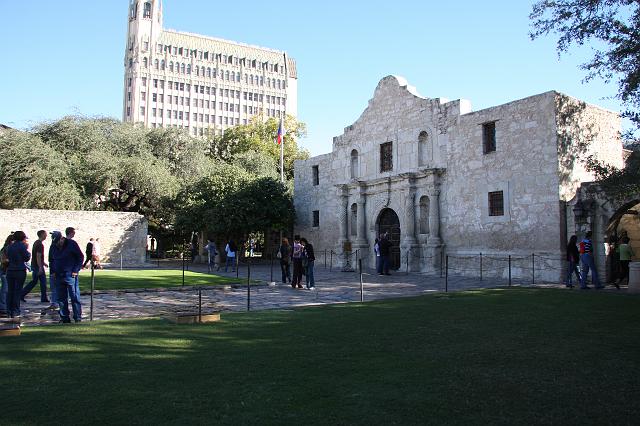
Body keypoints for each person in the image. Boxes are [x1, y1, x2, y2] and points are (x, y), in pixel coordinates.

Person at [56, 227, 84, 323]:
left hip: (70, 274)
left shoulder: (71, 244)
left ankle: (77, 317)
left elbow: (80, 257)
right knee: (61, 298)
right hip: (59, 275)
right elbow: (53, 259)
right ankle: (65, 318)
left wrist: (75, 270)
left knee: (74, 297)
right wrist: (53, 272)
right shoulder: (55, 246)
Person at [5, 231, 31, 322]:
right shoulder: (22, 246)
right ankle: (16, 310)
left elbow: (7, 255)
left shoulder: (9, 247)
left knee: (10, 291)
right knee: (17, 291)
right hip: (19, 270)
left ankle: (9, 310)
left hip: (10, 270)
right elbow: (26, 257)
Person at [21, 229, 50, 302]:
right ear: (42, 235)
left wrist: (43, 263)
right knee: (42, 282)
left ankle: (22, 294)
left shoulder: (36, 242)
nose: (46, 236)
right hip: (37, 266)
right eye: (45, 234)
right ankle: (43, 298)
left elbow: (37, 255)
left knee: (35, 281)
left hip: (35, 265)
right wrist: (40, 267)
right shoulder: (40, 244)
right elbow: (38, 256)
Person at [0, 234, 14, 317]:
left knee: (6, 289)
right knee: (5, 290)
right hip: (5, 271)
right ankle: (2, 307)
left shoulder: (8, 248)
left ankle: (5, 306)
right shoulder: (6, 249)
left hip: (7, 270)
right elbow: (3, 260)